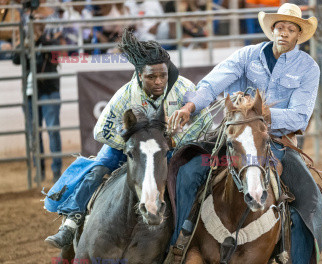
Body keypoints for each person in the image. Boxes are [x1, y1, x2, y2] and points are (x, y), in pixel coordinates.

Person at [157, 3, 322, 264]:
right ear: (272, 30)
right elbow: (212, 84)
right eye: (279, 27)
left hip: (276, 143)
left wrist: (259, 114)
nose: (283, 33)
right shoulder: (247, 56)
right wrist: (189, 106)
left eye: (290, 29)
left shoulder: (308, 68)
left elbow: (299, 116)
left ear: (299, 35)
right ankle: (178, 246)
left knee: (314, 205)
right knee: (186, 172)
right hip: (234, 139)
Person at [43, 30, 206, 249]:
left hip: (172, 147)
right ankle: (71, 222)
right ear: (140, 75)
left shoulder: (184, 88)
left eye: (163, 76)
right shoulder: (126, 94)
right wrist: (132, 148)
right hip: (130, 146)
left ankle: (186, 233)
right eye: (151, 77)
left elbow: (204, 123)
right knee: (98, 170)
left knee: (191, 178)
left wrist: (177, 141)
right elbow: (100, 131)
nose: (159, 82)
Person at [13, 8, 63, 181]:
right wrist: (25, 44)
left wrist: (38, 39)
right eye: (34, 22)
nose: (36, 25)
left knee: (52, 131)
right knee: (35, 133)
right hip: (31, 93)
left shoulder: (49, 41)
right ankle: (39, 170)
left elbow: (56, 53)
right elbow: (15, 59)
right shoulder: (27, 42)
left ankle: (56, 171)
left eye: (39, 22)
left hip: (48, 91)